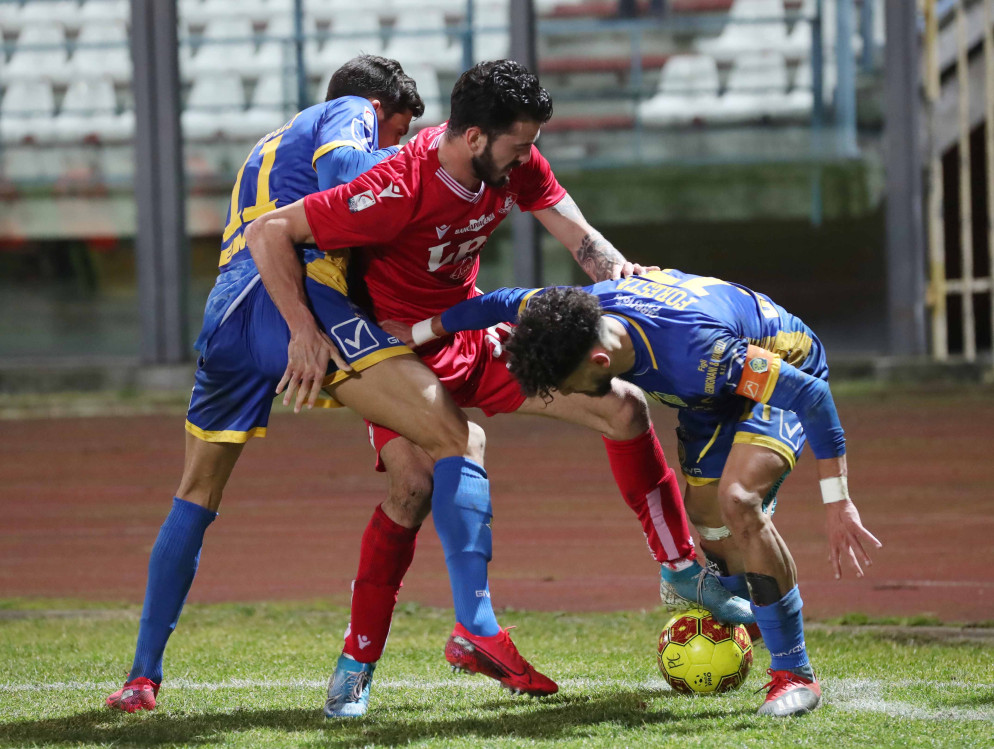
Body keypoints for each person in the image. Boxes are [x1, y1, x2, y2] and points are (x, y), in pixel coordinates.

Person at [246, 60, 753, 718]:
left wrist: (630, 278)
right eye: (519, 144)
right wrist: (301, 331)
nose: (528, 156)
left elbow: (581, 240)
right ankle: (358, 664)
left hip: (466, 328)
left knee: (624, 407)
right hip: (395, 350)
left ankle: (680, 568)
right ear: (475, 137)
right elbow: (270, 231)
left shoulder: (515, 162)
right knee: (412, 488)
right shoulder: (397, 186)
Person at [103, 56, 552, 714]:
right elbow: (345, 176)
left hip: (225, 317)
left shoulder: (275, 140)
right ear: (379, 107)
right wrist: (421, 169)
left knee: (196, 494)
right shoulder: (349, 111)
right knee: (457, 437)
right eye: (399, 129)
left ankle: (142, 676)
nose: (400, 142)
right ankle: (476, 625)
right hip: (296, 305)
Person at [393, 269, 883, 716]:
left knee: (738, 500)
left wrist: (838, 500)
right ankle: (753, 612)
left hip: (783, 364)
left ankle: (795, 675)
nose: (575, 396)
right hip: (712, 395)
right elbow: (498, 301)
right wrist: (418, 335)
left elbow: (811, 396)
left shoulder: (698, 353)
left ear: (599, 359)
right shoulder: (569, 313)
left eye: (571, 385)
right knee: (708, 520)